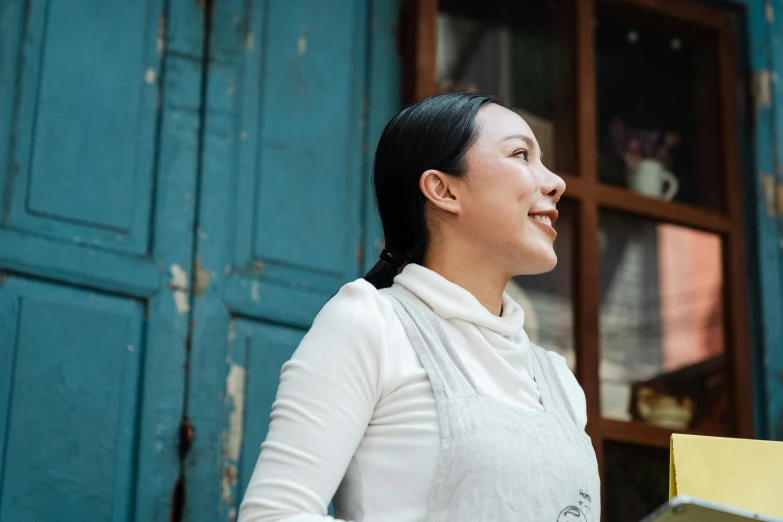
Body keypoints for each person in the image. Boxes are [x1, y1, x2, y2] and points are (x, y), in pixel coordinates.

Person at [238, 93, 600, 522]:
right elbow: (274, 515)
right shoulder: (370, 324)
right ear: (442, 190)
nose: (555, 181)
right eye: (522, 154)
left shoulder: (558, 380)